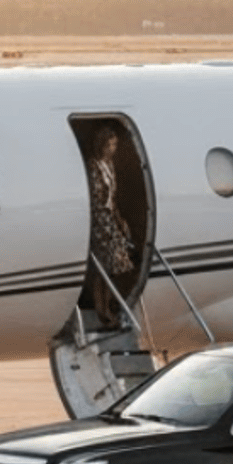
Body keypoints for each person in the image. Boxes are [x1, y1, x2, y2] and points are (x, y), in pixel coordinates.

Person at [86, 125, 136, 328]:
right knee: (104, 267)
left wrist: (120, 219)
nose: (113, 148)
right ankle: (102, 308)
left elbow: (112, 197)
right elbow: (96, 197)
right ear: (102, 145)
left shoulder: (110, 164)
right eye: (109, 144)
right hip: (99, 220)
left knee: (114, 267)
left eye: (115, 144)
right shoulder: (94, 165)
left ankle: (108, 305)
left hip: (110, 218)